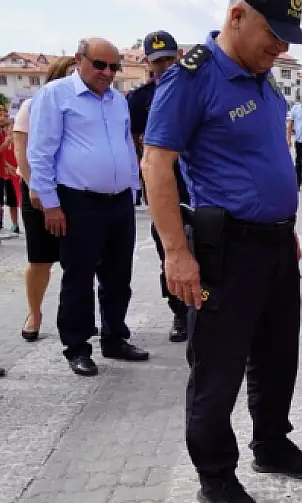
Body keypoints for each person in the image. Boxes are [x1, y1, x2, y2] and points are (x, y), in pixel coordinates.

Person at [141, 0, 302, 503]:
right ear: (237, 15)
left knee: (276, 354)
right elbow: (156, 165)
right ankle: (215, 475)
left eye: (290, 37)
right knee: (218, 368)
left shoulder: (260, 76)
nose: (281, 48)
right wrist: (176, 253)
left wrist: (285, 227)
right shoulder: (192, 77)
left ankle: (272, 444)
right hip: (226, 252)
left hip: (275, 244)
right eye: (274, 34)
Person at [28, 37, 149, 377]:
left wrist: (132, 189)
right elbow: (41, 152)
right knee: (79, 276)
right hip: (77, 201)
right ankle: (77, 347)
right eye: (100, 65)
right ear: (79, 59)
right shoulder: (55, 96)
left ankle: (114, 338)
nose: (107, 72)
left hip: (119, 201)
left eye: (114, 66)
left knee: (118, 276)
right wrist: (50, 204)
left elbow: (126, 145)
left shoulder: (117, 101)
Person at [128, 30, 191, 343]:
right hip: (164, 189)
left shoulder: (195, 90)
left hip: (198, 188)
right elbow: (136, 145)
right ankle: (179, 313)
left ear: (178, 56)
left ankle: (203, 312)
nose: (164, 66)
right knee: (169, 251)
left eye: (169, 58)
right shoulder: (139, 100)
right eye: (157, 62)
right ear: (147, 63)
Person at [12, 56, 76, 342]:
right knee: (40, 259)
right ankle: (34, 313)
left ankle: (77, 318)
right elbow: (22, 153)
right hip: (38, 193)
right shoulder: (32, 105)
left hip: (74, 193)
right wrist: (35, 188)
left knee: (78, 260)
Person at [0, 104, 18, 233]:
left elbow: (0, 157)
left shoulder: (1, 132)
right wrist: (6, 144)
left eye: (5, 115)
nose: (3, 118)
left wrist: (9, 167)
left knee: (0, 203)